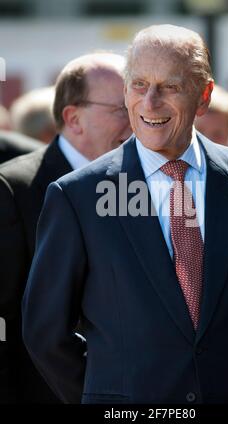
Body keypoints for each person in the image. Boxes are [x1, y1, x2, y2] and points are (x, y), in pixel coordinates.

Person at [23, 24, 228, 404]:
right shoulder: (77, 195)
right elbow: (46, 333)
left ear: (204, 96)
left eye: (171, 87)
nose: (150, 103)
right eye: (139, 85)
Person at [0, 52, 131, 404]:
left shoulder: (143, 184)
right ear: (73, 118)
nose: (137, 120)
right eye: (122, 109)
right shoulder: (14, 189)